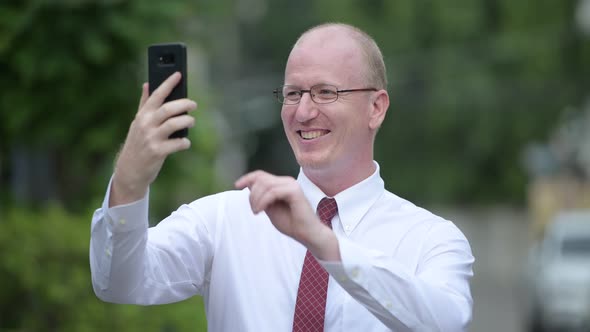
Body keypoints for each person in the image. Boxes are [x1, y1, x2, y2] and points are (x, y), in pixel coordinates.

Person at [90, 23, 474, 331]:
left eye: (325, 92)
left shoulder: (432, 238)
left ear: (376, 107)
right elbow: (118, 283)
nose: (303, 112)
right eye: (292, 94)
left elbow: (447, 321)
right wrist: (129, 182)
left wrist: (323, 243)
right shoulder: (225, 219)